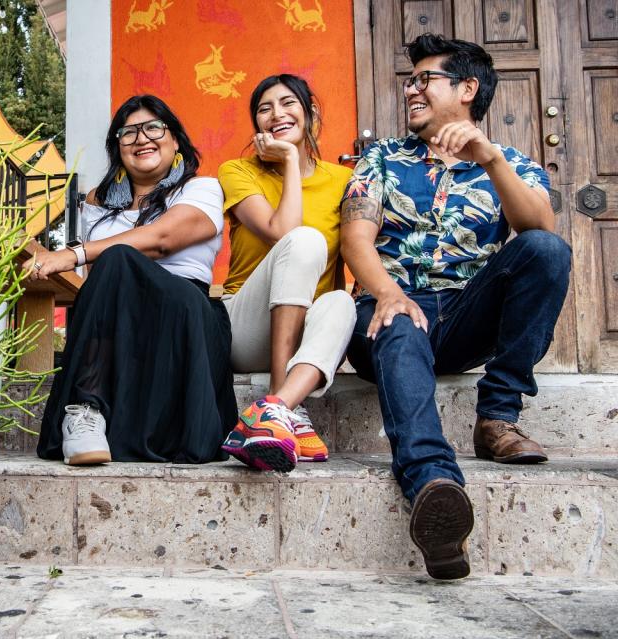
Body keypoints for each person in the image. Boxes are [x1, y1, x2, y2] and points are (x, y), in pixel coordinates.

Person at [340, 34, 571, 580]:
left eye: (425, 79)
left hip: (464, 316)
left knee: (545, 249)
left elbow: (540, 232)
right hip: (387, 314)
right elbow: (356, 238)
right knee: (397, 322)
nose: (412, 89)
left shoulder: (510, 163)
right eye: (410, 80)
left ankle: (496, 418)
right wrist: (388, 292)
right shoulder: (383, 158)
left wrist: (490, 158)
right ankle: (434, 489)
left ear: (468, 89)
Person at [29, 94, 237, 466]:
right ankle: (85, 415)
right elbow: (102, 285)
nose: (141, 138)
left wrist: (73, 253)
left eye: (153, 127)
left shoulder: (200, 189)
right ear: (117, 147)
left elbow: (161, 240)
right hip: (128, 325)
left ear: (175, 141)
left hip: (187, 313)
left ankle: (88, 403)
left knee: (120, 255)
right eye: (128, 133)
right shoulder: (97, 201)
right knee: (113, 266)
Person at [217, 74, 357, 473]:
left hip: (306, 336)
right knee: (306, 241)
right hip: (247, 328)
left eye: (287, 103)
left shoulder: (344, 181)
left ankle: (275, 410)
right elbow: (285, 231)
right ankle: (281, 404)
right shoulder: (238, 172)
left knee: (341, 300)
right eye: (264, 109)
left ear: (310, 113)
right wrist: (292, 161)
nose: (276, 114)